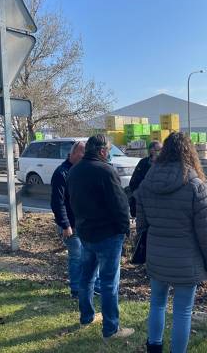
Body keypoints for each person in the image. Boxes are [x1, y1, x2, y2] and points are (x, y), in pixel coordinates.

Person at [136, 132, 207, 353]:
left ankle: (154, 348)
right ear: (189, 152)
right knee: (182, 311)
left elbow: (142, 225)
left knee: (157, 304)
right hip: (186, 260)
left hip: (156, 257)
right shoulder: (195, 185)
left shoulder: (147, 181)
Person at [67, 134, 134, 344]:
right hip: (108, 235)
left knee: (86, 278)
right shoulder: (106, 171)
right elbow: (120, 204)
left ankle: (86, 316)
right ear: (103, 151)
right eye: (109, 151)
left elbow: (71, 202)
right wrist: (126, 229)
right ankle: (111, 328)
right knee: (108, 283)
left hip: (85, 232)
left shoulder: (74, 170)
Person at [50, 141, 100, 298]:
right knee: (76, 256)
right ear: (72, 153)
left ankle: (94, 286)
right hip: (71, 224)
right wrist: (65, 225)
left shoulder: (84, 170)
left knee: (93, 255)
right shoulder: (61, 173)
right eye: (82, 153)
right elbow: (57, 202)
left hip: (86, 223)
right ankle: (76, 289)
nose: (84, 156)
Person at [128, 140, 162, 217]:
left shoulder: (164, 164)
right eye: (159, 150)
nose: (161, 152)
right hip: (144, 200)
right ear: (151, 150)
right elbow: (134, 182)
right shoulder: (143, 163)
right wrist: (138, 195)